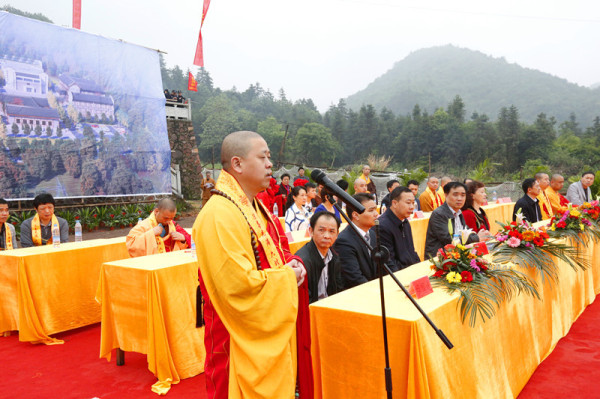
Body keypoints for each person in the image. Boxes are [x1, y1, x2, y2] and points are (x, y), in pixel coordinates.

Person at [192, 131, 311, 399]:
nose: (271, 164)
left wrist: (293, 265)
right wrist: (285, 278)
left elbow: (277, 255)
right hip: (234, 337)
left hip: (262, 327)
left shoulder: (256, 206)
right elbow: (237, 286)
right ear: (237, 164)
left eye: (269, 157)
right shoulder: (219, 214)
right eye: (263, 156)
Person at [424, 182, 483, 258]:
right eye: (455, 195)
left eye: (463, 195)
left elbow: (467, 231)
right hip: (440, 258)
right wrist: (477, 238)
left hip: (455, 255)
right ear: (445, 195)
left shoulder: (458, 212)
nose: (459, 199)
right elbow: (450, 240)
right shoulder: (439, 214)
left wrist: (480, 235)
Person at [333, 193, 378, 289]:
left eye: (375, 209)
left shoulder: (373, 234)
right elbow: (355, 277)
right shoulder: (344, 241)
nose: (376, 214)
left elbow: (385, 264)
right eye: (371, 210)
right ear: (355, 215)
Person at [296, 212, 342, 303]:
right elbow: (303, 300)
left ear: (337, 234)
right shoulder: (303, 261)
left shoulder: (334, 256)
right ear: (311, 231)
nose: (327, 236)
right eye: (321, 230)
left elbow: (339, 288)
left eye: (332, 231)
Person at [126, 198, 190, 257]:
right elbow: (131, 245)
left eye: (171, 218)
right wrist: (151, 233)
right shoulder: (143, 226)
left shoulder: (173, 225)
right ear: (156, 211)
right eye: (166, 218)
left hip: (172, 262)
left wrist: (183, 239)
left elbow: (191, 240)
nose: (168, 221)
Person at [379, 187, 421, 271]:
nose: (412, 207)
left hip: (410, 270)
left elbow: (411, 251)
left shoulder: (405, 221)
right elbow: (389, 262)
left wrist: (419, 268)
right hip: (399, 275)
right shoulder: (383, 226)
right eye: (408, 203)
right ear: (394, 203)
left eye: (413, 203)